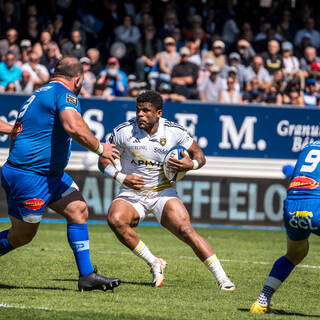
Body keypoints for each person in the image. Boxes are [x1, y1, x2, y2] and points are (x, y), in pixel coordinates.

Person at [0, 56, 121, 292]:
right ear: (77, 79)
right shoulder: (64, 94)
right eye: (82, 81)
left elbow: (23, 128)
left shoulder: (41, 92)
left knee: (78, 209)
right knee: (22, 236)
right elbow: (73, 126)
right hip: (30, 176)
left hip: (50, 175)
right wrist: (100, 148)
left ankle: (87, 276)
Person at [98, 90, 235, 291]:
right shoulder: (123, 131)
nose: (141, 115)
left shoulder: (174, 132)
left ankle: (223, 279)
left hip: (163, 192)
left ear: (159, 113)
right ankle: (154, 262)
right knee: (115, 220)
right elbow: (103, 161)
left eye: (146, 111)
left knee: (186, 231)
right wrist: (122, 177)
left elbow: (200, 156)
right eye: (138, 110)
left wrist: (191, 165)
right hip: (132, 194)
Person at [251, 138, 320, 313]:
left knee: (294, 254)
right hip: (316, 206)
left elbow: (297, 175)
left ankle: (261, 301)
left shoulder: (310, 145)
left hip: (292, 206)